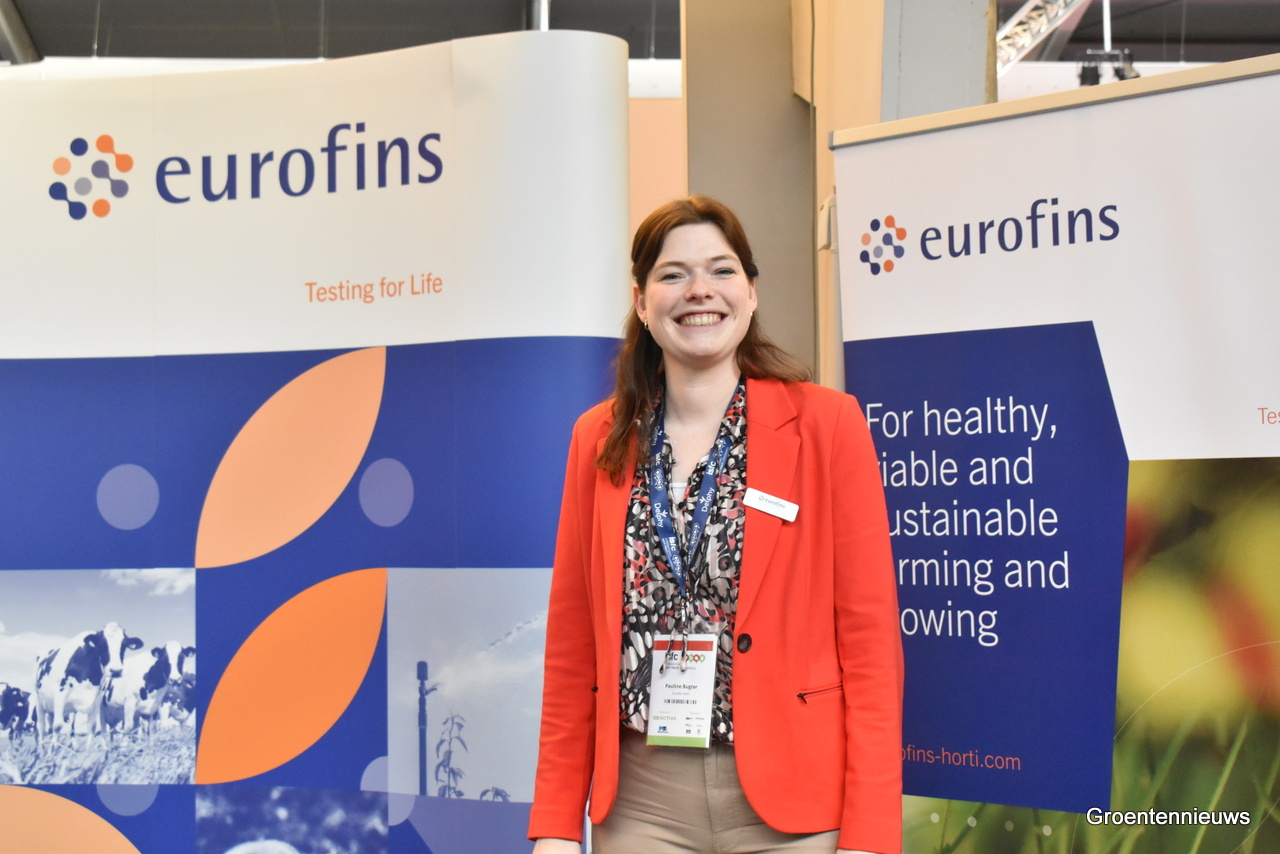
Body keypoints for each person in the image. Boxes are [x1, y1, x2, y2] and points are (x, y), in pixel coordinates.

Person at [528, 196, 902, 854]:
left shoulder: (826, 426)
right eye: (673, 275)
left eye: (721, 270)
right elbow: (572, 646)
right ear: (642, 303)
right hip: (642, 803)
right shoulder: (599, 438)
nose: (699, 290)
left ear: (750, 293)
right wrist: (556, 824)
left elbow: (871, 648)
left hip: (793, 800)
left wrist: (870, 833)